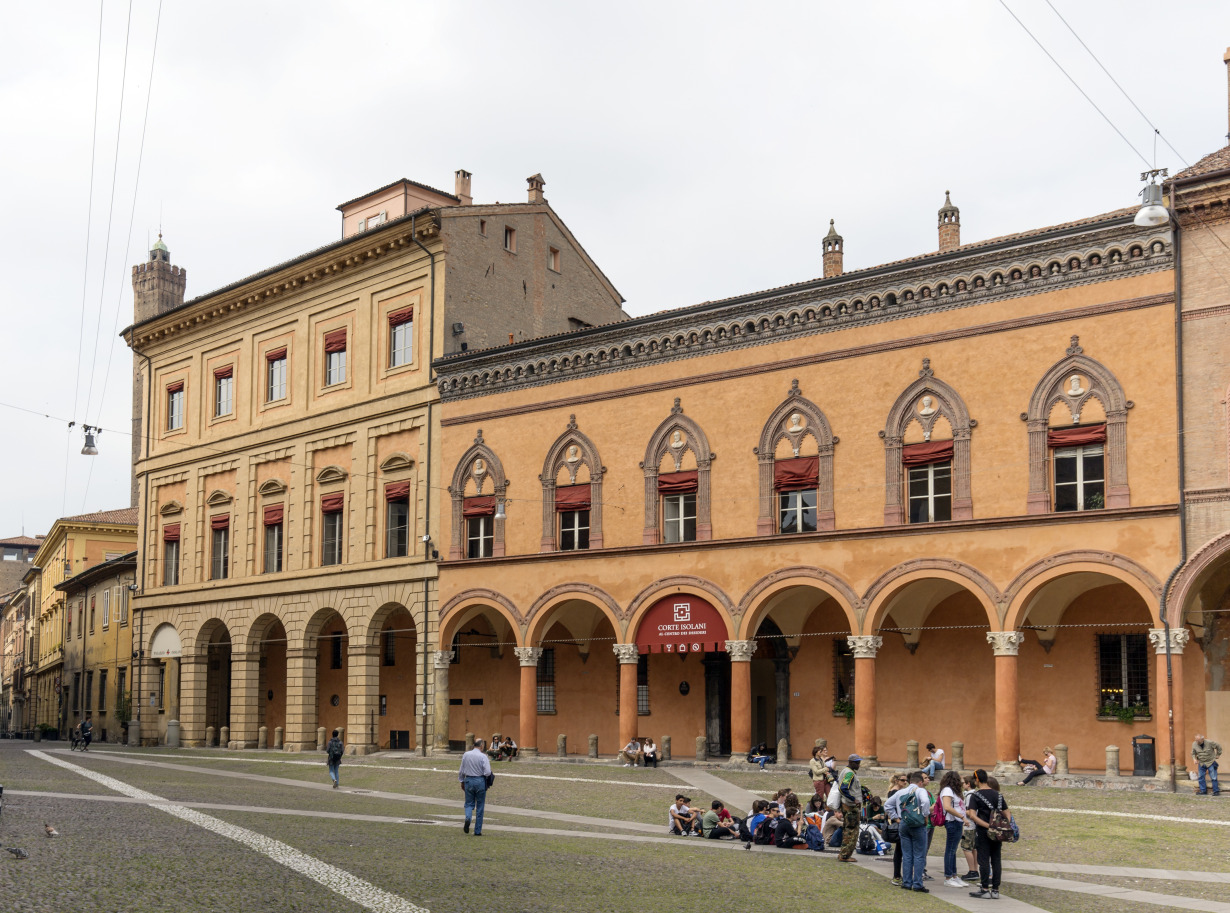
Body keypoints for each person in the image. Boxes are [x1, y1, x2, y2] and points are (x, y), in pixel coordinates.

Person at [966, 768, 1009, 899]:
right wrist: (1002, 826)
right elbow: (1007, 812)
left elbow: (972, 816)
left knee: (983, 860)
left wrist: (988, 826)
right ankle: (995, 890)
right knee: (996, 860)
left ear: (977, 780)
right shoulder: (998, 795)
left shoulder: (976, 795)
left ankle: (985, 888)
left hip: (984, 832)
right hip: (998, 833)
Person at [885, 770, 931, 893]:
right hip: (917, 824)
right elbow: (926, 802)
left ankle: (906, 882)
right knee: (919, 855)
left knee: (907, 854)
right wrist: (925, 815)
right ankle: (917, 884)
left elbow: (887, 805)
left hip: (904, 823)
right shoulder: (921, 790)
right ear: (920, 782)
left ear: (910, 781)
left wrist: (896, 817)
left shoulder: (901, 792)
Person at [937, 769, 969, 888]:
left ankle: (954, 875)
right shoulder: (947, 790)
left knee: (953, 850)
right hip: (952, 821)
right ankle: (948, 876)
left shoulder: (953, 791)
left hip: (957, 822)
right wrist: (962, 817)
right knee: (950, 850)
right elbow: (947, 807)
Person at [458, 737, 494, 835]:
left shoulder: (466, 754)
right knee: (480, 806)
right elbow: (487, 772)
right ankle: (477, 831)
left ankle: (468, 818)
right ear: (481, 746)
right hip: (480, 781)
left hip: (468, 780)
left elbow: (461, 770)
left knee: (469, 803)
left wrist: (462, 781)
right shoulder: (483, 756)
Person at [836, 753, 863, 862]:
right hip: (850, 806)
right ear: (851, 763)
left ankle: (843, 853)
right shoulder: (849, 773)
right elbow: (843, 788)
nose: (859, 765)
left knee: (848, 829)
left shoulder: (846, 771)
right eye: (857, 763)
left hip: (847, 804)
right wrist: (853, 799)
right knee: (851, 831)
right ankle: (845, 855)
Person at [959, 774, 980, 881]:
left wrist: (960, 811)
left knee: (966, 847)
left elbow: (970, 811)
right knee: (974, 848)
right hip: (975, 825)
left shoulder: (969, 795)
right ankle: (975, 869)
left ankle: (972, 870)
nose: (962, 785)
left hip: (969, 825)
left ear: (968, 784)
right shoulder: (976, 794)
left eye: (963, 783)